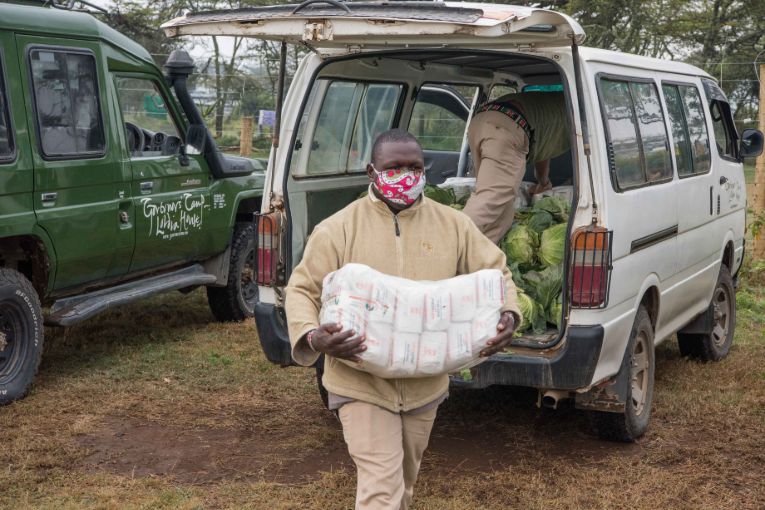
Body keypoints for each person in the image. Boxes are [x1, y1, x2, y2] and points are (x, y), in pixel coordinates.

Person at [285, 129, 522, 510]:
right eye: (394, 167)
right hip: (360, 382)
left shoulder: (453, 226)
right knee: (381, 486)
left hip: (424, 385)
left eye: (414, 167)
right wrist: (313, 337)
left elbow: (496, 273)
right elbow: (302, 289)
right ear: (371, 172)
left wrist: (509, 312)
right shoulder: (337, 229)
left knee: (404, 483)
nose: (406, 175)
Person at [462, 91, 570, 243]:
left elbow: (544, 148)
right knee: (487, 204)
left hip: (481, 120)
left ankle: (479, 259)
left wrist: (543, 182)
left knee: (503, 211)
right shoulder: (577, 112)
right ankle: (441, 248)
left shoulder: (553, 104)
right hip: (507, 127)